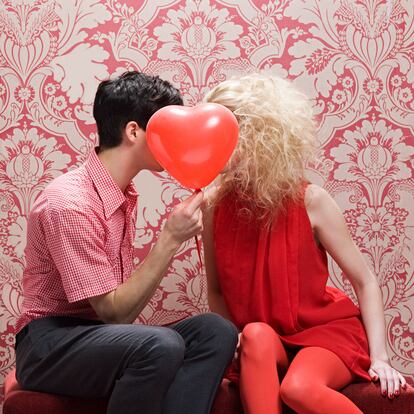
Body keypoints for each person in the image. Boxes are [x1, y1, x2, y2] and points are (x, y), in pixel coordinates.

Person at [15, 71, 238, 414]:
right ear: (134, 131)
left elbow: (112, 323)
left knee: (215, 331)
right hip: (48, 346)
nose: (177, 142)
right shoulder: (69, 203)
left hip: (97, 336)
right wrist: (171, 238)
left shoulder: (121, 195)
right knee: (159, 344)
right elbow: (115, 313)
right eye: (168, 131)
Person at [201, 73, 407, 414]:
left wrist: (381, 357)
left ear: (258, 136)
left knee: (298, 389)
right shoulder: (213, 208)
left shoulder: (311, 200)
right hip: (266, 344)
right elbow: (217, 292)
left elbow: (365, 280)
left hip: (325, 334)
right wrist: (232, 340)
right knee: (253, 334)